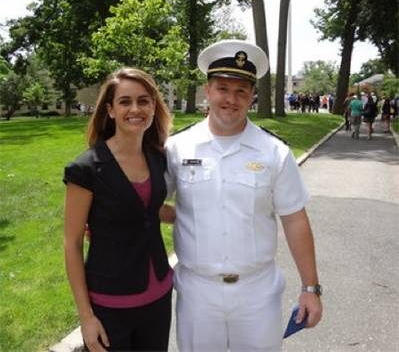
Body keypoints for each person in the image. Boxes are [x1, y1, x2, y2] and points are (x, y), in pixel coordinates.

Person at [165, 40, 322, 352]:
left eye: (241, 91)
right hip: (198, 292)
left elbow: (294, 219)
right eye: (222, 88)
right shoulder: (177, 149)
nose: (230, 99)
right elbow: (147, 201)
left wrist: (310, 288)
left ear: (252, 96)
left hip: (257, 293)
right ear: (207, 91)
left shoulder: (274, 152)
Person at [63, 67, 174, 352]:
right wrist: (86, 318)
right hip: (110, 306)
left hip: (158, 299)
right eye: (125, 101)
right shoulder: (86, 169)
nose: (135, 109)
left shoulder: (157, 158)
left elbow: (148, 210)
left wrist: (198, 214)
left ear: (153, 107)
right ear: (110, 110)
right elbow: (72, 243)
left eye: (143, 100)